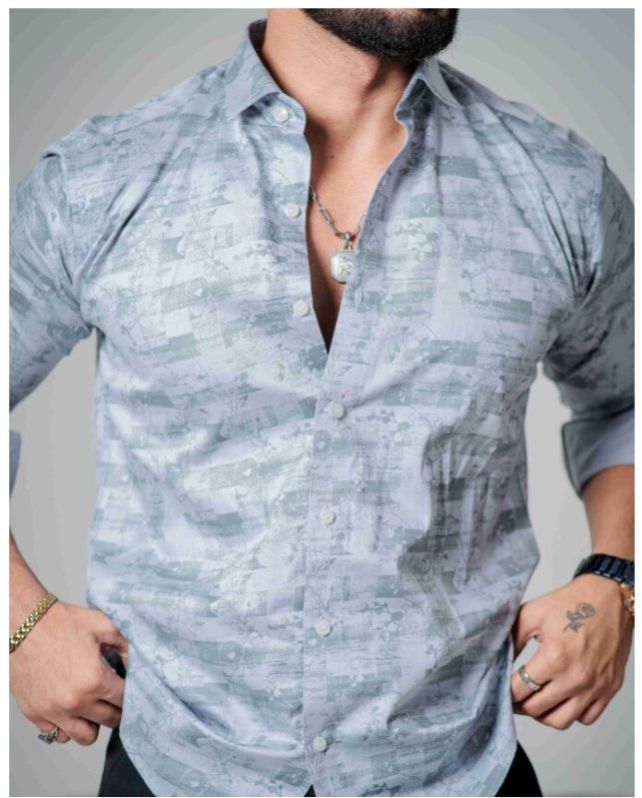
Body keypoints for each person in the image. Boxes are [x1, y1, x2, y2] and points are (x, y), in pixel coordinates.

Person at [9, 9, 634, 798]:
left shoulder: (558, 187)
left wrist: (617, 575)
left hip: (456, 766)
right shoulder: (104, 177)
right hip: (178, 764)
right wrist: (18, 620)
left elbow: (626, 402)